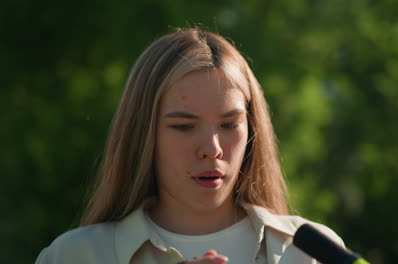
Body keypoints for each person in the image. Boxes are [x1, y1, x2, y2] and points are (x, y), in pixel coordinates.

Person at [35, 28, 344, 264]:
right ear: (143, 135)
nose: (212, 149)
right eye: (183, 126)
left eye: (228, 124)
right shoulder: (73, 255)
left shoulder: (313, 252)